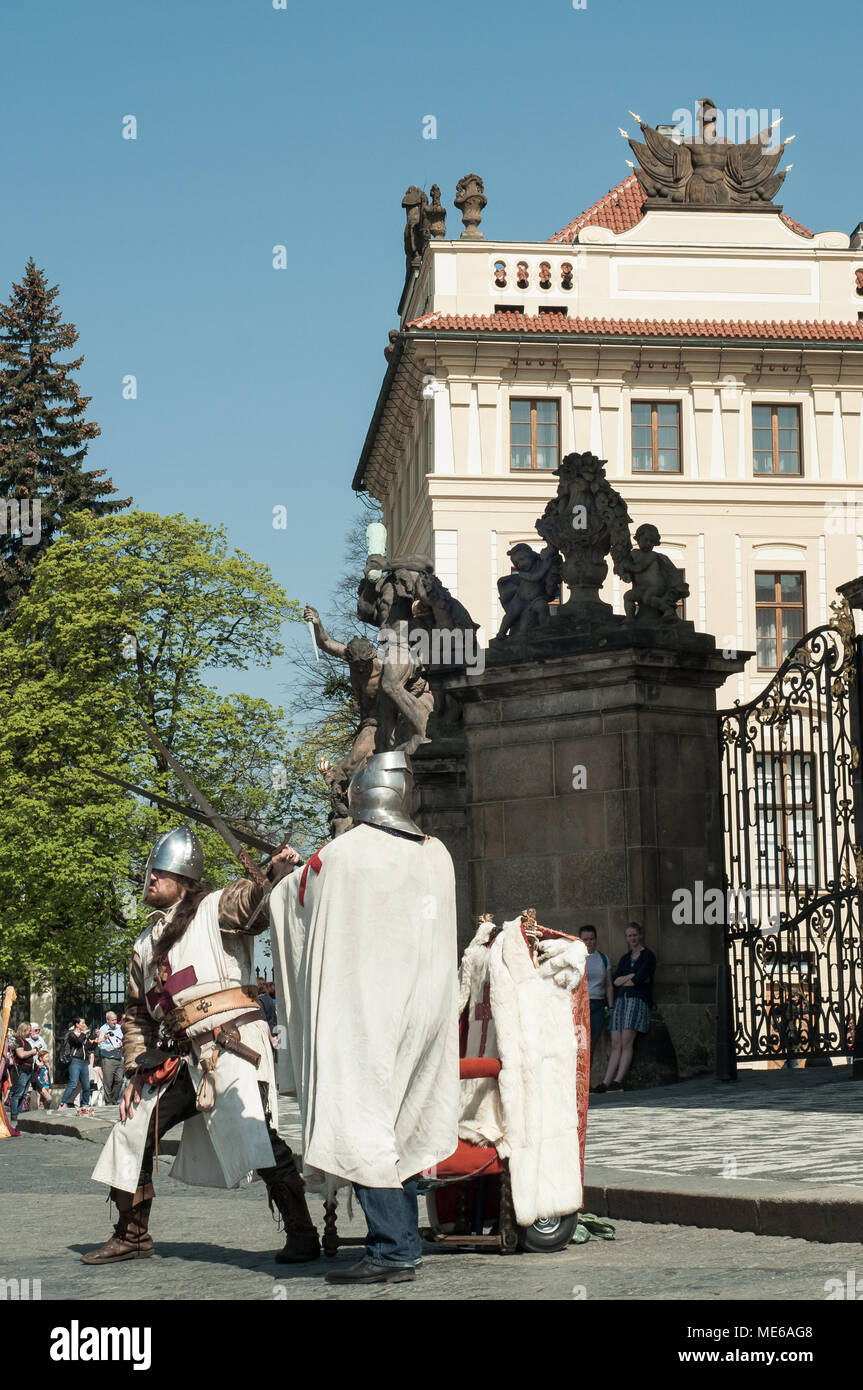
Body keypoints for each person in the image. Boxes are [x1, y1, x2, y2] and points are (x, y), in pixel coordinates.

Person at [81, 824, 319, 1266]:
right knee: (133, 1129)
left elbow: (254, 907)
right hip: (177, 1058)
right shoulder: (143, 945)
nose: (150, 879)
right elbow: (137, 1016)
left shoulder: (214, 907)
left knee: (256, 1138)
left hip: (230, 1045)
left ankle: (303, 1234)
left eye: (161, 872)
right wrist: (136, 1069)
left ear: (185, 880)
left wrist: (273, 874)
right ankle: (131, 1234)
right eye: (150, 873)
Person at [270, 750, 459, 1287]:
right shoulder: (436, 853)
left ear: (359, 798)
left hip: (364, 1016)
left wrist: (283, 873)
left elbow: (298, 901)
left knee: (360, 1125)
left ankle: (395, 1250)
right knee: (394, 1128)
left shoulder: (344, 854)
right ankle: (399, 1243)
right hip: (423, 1012)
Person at [597, 923, 657, 1092]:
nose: (632, 938)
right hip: (621, 1000)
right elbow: (615, 981)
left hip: (637, 1000)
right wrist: (631, 977)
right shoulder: (625, 958)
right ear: (626, 938)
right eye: (629, 936)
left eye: (635, 935)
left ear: (640, 935)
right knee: (615, 1042)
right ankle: (606, 1082)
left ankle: (618, 1080)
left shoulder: (648, 956)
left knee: (626, 1041)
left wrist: (630, 978)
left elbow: (640, 979)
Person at [578, 926, 613, 1068]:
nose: (588, 942)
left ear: (596, 940)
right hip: (581, 1005)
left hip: (598, 1006)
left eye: (591, 939)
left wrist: (611, 1007)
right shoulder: (577, 959)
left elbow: (609, 985)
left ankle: (585, 1085)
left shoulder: (603, 959)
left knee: (591, 1044)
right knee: (581, 1045)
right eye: (585, 939)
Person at [59, 1020, 95, 1111]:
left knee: (86, 1084)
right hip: (75, 1060)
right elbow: (78, 1042)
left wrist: (96, 1041)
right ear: (77, 1025)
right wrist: (83, 1034)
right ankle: (63, 1103)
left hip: (84, 1061)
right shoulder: (71, 1034)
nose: (85, 1025)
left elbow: (89, 1047)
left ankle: (85, 1104)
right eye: (82, 1023)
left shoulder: (84, 1035)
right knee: (73, 1082)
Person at [9, 1023, 39, 1123]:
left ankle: (19, 1114)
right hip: (22, 1071)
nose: (30, 1032)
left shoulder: (24, 1041)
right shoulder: (18, 1040)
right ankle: (14, 1115)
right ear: (24, 1030)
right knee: (18, 1094)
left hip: (28, 1070)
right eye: (29, 1030)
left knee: (24, 1094)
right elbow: (21, 1054)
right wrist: (33, 1051)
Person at [95, 1012, 125, 1104]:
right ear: (107, 1020)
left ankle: (114, 1099)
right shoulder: (103, 1029)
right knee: (108, 1082)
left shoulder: (120, 1028)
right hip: (108, 1059)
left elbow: (124, 1039)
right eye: (112, 1020)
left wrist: (123, 1044)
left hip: (119, 1058)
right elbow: (101, 1045)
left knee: (120, 1080)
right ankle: (108, 1102)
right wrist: (114, 1047)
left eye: (116, 1019)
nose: (115, 1022)